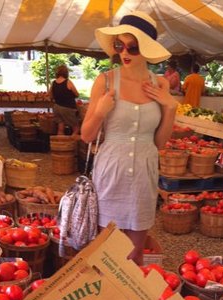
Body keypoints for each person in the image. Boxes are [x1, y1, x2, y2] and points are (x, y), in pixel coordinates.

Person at [81, 11, 178, 265]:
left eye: (132, 48)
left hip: (145, 172)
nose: (124, 53)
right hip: (112, 170)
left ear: (146, 50)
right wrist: (101, 112)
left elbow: (159, 143)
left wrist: (171, 108)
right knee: (107, 252)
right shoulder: (106, 81)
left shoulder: (160, 85)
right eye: (119, 45)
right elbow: (86, 135)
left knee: (135, 254)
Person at [49, 64, 80, 135]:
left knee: (60, 127)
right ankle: (71, 144)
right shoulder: (68, 82)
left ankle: (61, 144)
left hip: (57, 107)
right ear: (66, 73)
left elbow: (50, 95)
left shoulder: (53, 83)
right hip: (68, 108)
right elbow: (77, 94)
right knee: (76, 127)